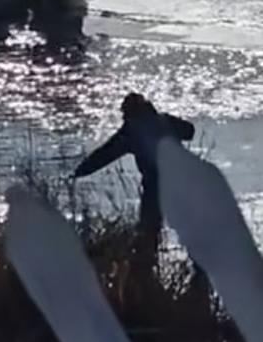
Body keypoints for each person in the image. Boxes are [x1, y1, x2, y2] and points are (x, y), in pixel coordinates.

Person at [74, 93, 195, 238]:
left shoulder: (131, 131)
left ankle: (148, 256)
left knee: (148, 231)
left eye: (125, 114)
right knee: (190, 229)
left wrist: (80, 171)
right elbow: (189, 131)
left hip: (155, 186)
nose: (124, 118)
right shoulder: (165, 120)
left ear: (130, 113)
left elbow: (104, 155)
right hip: (184, 181)